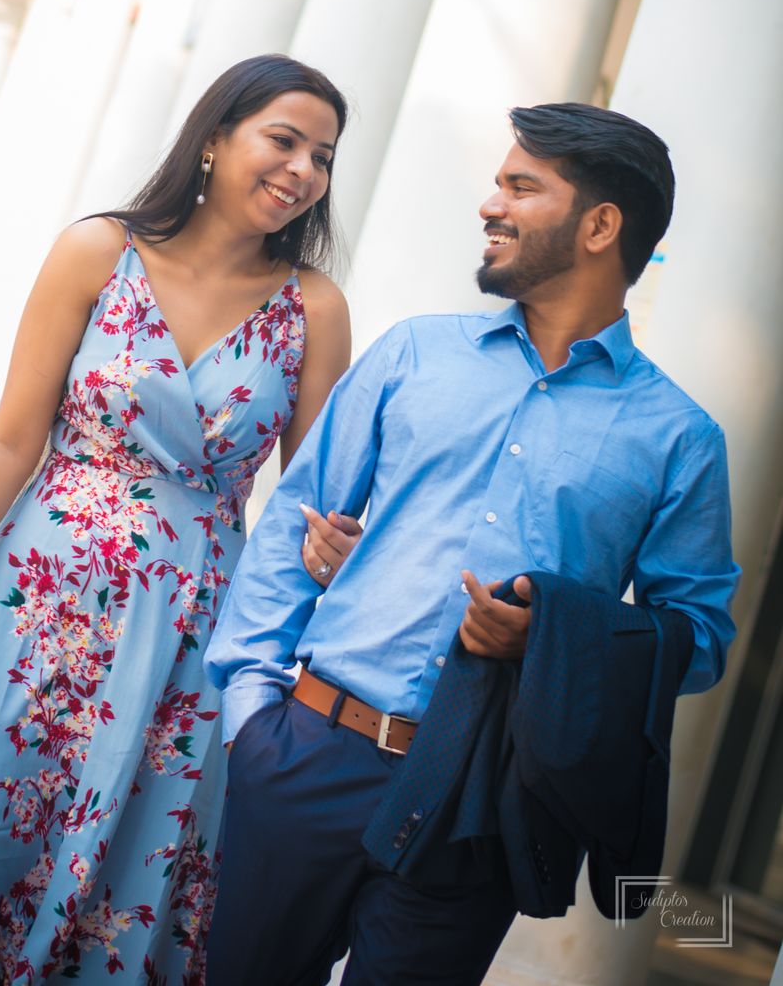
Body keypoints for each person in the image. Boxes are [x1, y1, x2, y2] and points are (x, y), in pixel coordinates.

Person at [0, 54, 362, 986]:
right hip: (33, 604)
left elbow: (310, 503)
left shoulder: (315, 310)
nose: (304, 170)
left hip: (190, 637)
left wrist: (334, 555)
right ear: (214, 141)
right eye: (284, 140)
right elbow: (12, 439)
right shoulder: (98, 251)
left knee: (107, 900)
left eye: (324, 157)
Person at [204, 102, 740, 986]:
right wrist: (253, 711)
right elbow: (295, 521)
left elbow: (701, 640)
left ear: (601, 226)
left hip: (482, 802)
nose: (490, 205)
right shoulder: (414, 354)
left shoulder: (679, 438)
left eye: (521, 187)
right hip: (306, 754)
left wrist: (554, 639)